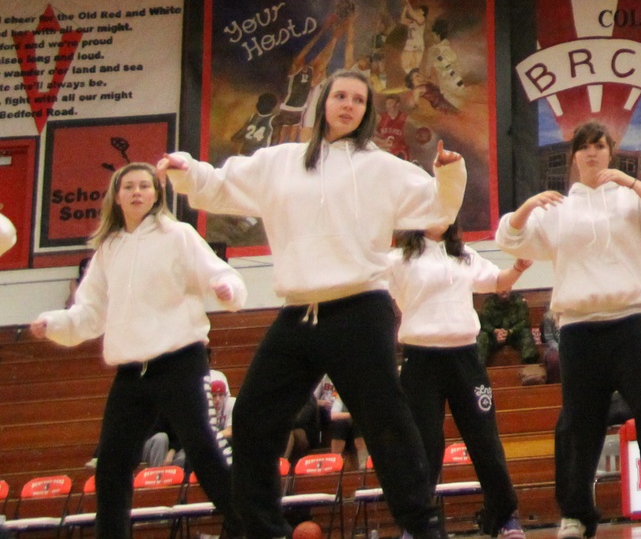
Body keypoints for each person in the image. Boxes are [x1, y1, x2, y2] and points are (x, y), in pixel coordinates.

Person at [161, 69, 465, 539]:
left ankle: (423, 527)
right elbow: (219, 185)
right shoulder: (279, 162)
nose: (348, 105)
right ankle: (263, 529)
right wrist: (186, 170)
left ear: (366, 112)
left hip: (360, 310)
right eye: (340, 96)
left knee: (385, 422)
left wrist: (448, 173)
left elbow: (438, 207)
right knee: (252, 417)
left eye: (358, 100)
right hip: (299, 313)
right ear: (323, 102)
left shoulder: (381, 167)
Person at [497, 121, 641, 535]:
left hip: (632, 324)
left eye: (599, 146)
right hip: (579, 330)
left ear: (611, 152)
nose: (592, 153)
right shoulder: (557, 209)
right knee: (578, 423)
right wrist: (528, 206)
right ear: (574, 156)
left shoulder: (632, 201)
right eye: (584, 147)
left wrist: (632, 183)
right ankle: (576, 514)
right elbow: (510, 239)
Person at [31, 163, 243, 539]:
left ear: (156, 194)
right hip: (131, 373)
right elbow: (90, 313)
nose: (137, 192)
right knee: (111, 464)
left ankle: (254, 526)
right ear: (117, 196)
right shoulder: (109, 248)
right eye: (128, 186)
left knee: (205, 449)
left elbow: (219, 274)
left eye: (145, 186)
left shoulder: (178, 235)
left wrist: (227, 289)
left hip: (181, 363)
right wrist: (54, 323)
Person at [385, 223, 526, 539]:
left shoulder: (463, 255)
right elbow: (373, 288)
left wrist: (518, 267)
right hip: (420, 359)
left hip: (465, 357)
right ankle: (418, 526)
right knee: (423, 446)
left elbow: (497, 281)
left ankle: (505, 516)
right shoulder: (398, 259)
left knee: (484, 439)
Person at [477, 279, 537, 366]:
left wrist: (510, 332)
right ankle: (479, 367)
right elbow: (483, 323)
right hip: (495, 337)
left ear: (511, 287)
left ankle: (530, 365)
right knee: (482, 336)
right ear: (495, 289)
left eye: (506, 286)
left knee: (526, 333)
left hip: (514, 336)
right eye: (500, 287)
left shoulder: (519, 300)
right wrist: (495, 331)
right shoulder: (489, 303)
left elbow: (525, 322)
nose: (504, 290)